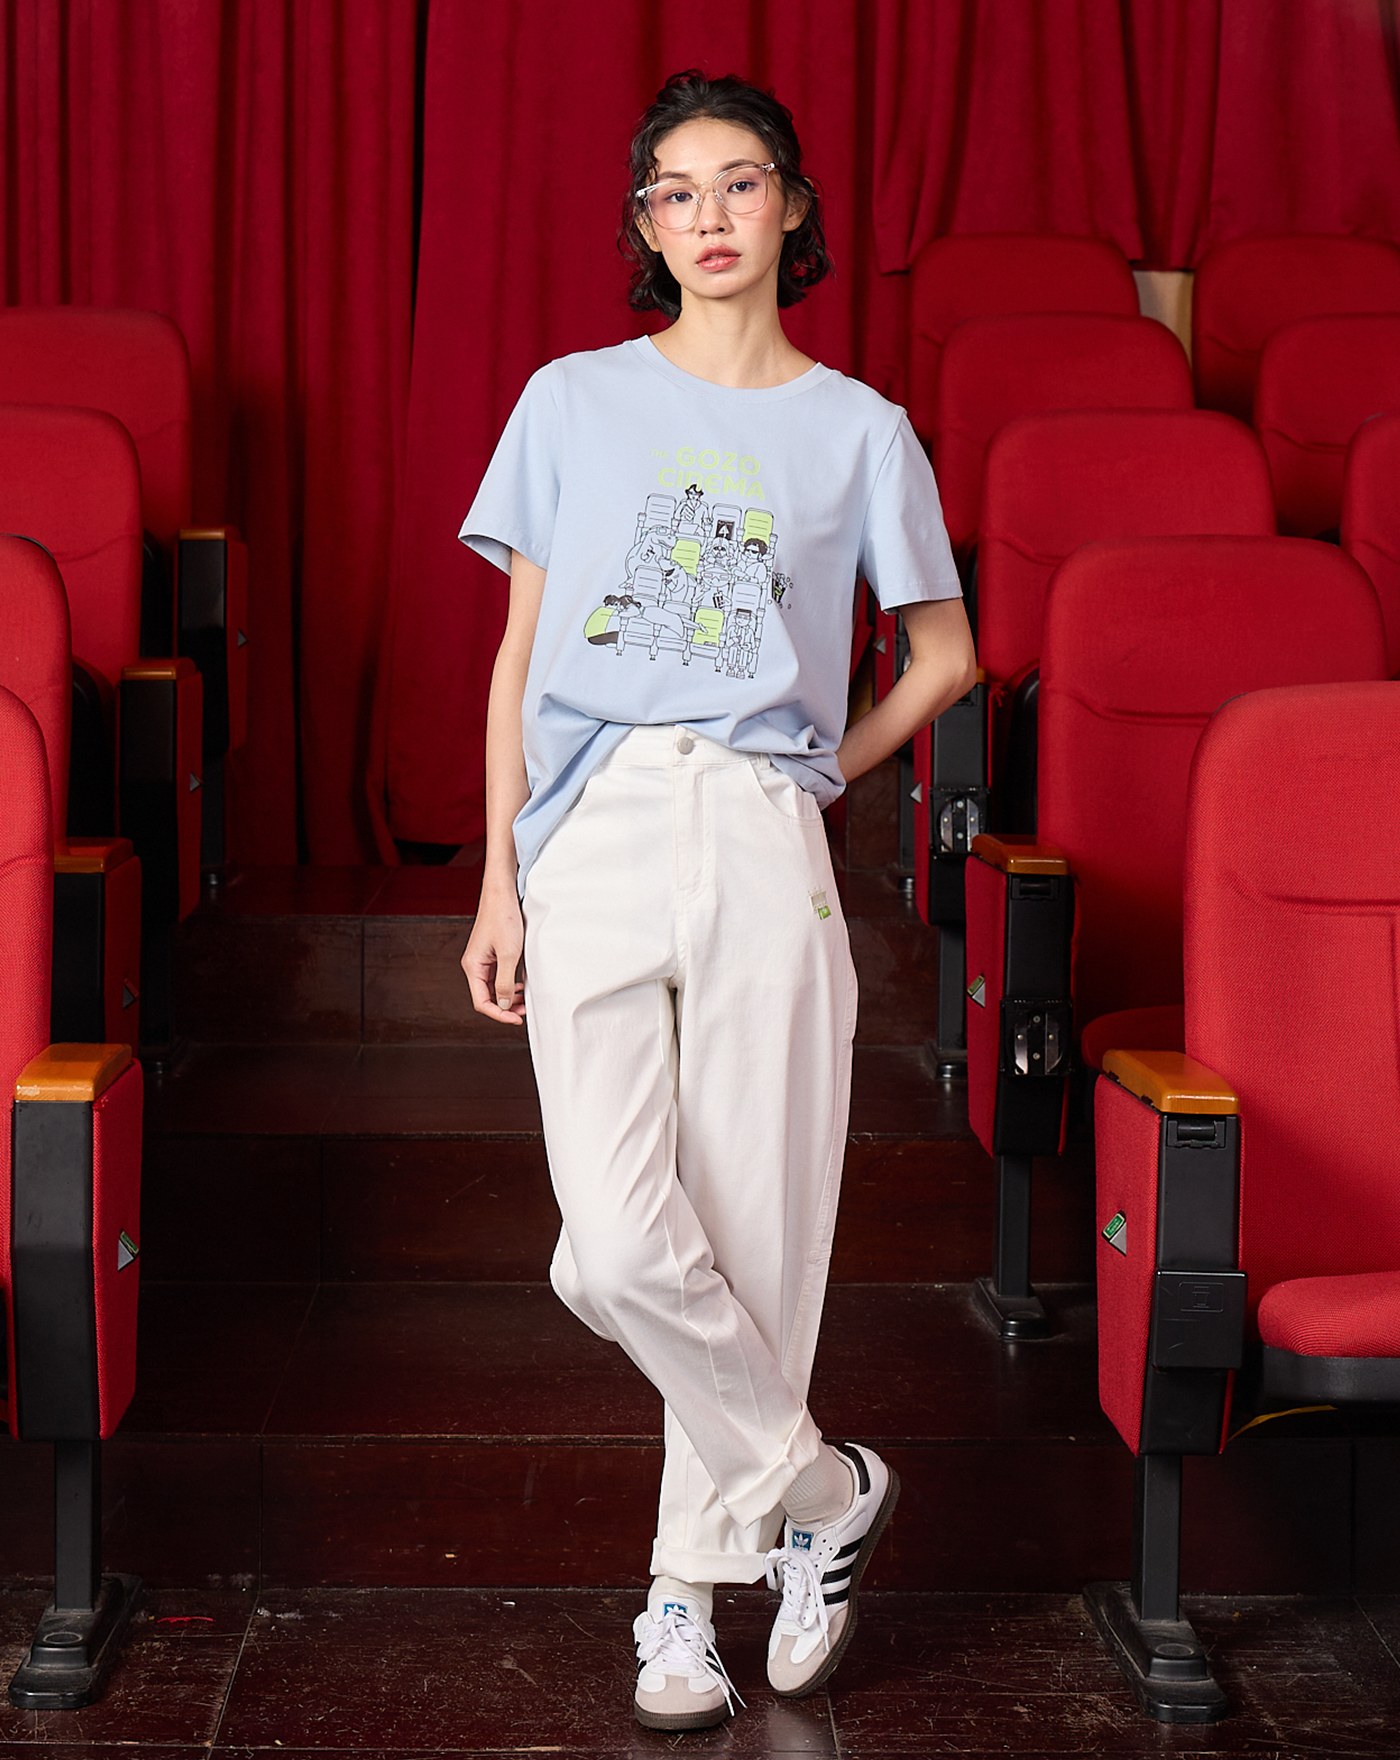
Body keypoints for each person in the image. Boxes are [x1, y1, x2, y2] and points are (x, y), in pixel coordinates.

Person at [458, 67, 975, 1733]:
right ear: (646, 225)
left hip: (760, 827)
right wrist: (498, 873)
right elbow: (518, 656)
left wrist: (821, 769)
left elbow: (946, 657)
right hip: (593, 826)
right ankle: (824, 1489)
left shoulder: (861, 430)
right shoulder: (570, 401)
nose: (709, 217)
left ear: (793, 205)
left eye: (738, 183)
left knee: (749, 1236)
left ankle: (681, 1606)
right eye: (674, 193)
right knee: (615, 1247)